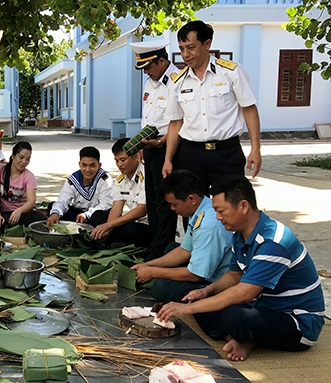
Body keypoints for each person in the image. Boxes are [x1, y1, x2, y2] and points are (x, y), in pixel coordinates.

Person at [158, 175, 325, 362]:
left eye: (221, 211)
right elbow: (233, 275)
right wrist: (205, 291)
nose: (218, 218)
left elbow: (243, 293)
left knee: (232, 315)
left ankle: (243, 338)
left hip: (297, 322)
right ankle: (238, 340)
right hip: (262, 306)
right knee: (201, 301)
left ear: (243, 206)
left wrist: (186, 310)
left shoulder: (274, 241)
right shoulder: (239, 235)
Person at [162, 20, 262, 195]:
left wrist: (255, 149)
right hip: (191, 155)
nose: (185, 54)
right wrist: (168, 159)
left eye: (191, 47)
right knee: (192, 211)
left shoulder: (231, 72)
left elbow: (249, 109)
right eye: (182, 48)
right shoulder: (177, 81)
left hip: (226, 154)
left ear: (207, 44)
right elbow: (176, 123)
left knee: (231, 207)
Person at [131, 170, 231, 302]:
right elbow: (184, 250)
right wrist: (148, 265)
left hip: (216, 281)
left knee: (160, 288)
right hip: (205, 264)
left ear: (191, 199)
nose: (172, 208)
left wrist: (153, 272)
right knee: (172, 247)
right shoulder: (201, 208)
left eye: (174, 204)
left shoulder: (207, 226)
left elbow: (196, 275)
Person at [130, 39, 181, 259]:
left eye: (149, 67)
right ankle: (155, 244)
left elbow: (179, 122)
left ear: (162, 61)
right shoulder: (151, 82)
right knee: (151, 199)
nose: (146, 72)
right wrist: (142, 144)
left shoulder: (177, 82)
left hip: (167, 146)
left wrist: (161, 144)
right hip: (150, 146)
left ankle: (162, 251)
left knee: (164, 201)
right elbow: (148, 118)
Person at [91, 138, 150, 248]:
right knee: (97, 216)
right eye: (117, 160)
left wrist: (109, 225)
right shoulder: (120, 181)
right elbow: (116, 208)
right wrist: (107, 229)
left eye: (123, 160)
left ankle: (118, 242)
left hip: (146, 225)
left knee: (131, 230)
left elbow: (141, 210)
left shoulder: (146, 175)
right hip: (131, 221)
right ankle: (114, 240)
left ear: (136, 156)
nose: (119, 164)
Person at [46, 146, 113, 227]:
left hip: (95, 215)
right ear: (79, 165)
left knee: (99, 216)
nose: (87, 170)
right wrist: (55, 214)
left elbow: (106, 204)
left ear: (99, 165)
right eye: (84, 165)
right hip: (78, 215)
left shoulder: (105, 179)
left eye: (92, 165)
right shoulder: (73, 180)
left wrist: (87, 214)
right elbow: (63, 200)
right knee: (53, 207)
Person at [0, 141, 46, 229]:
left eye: (28, 159)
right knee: (0, 224)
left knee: (43, 223)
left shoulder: (29, 176)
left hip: (24, 212)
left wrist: (19, 211)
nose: (24, 162)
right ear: (13, 155)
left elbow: (31, 201)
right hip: (4, 212)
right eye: (21, 157)